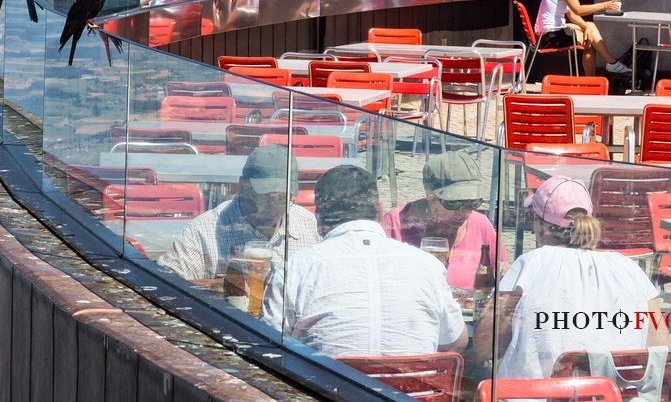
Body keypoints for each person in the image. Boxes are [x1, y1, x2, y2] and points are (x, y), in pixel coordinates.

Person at [473, 176, 669, 379]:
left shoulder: (529, 266)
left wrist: (499, 302)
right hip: (614, 395)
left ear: (539, 225)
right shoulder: (629, 269)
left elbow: (484, 346)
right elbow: (661, 348)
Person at [262, 165, 467, 357]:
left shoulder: (297, 268)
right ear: (379, 209)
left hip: (326, 390)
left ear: (320, 217)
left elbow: (270, 342)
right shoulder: (428, 266)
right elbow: (456, 341)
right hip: (412, 394)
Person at [157, 145, 319, 283]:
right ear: (243, 187)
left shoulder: (308, 225)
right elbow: (168, 284)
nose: (275, 208)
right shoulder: (203, 232)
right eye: (266, 198)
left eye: (283, 198)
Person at [382, 151, 506, 290]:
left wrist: (503, 271)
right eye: (453, 203)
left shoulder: (480, 225)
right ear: (431, 198)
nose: (463, 212)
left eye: (471, 203)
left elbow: (500, 269)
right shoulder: (396, 224)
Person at [535, 0, 631, 76]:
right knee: (589, 41)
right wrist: (605, 5)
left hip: (550, 32)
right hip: (550, 36)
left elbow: (572, 15)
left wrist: (586, 28)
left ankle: (607, 67)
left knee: (589, 28)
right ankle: (610, 64)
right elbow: (578, 10)